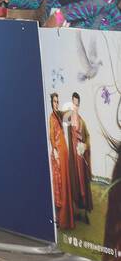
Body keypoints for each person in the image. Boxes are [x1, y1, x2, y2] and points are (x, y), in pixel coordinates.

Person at [65, 92, 93, 223]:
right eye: (73, 104)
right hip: (73, 160)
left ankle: (85, 213)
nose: (75, 107)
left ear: (79, 105)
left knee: (83, 184)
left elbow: (87, 136)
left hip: (81, 158)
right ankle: (75, 212)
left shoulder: (82, 121)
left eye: (77, 104)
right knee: (74, 183)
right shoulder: (68, 119)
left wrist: (85, 146)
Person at [47, 93, 74, 229]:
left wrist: (72, 107)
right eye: (54, 101)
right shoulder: (52, 118)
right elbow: (51, 135)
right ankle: (61, 218)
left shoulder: (59, 114)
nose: (56, 103)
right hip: (58, 152)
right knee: (59, 183)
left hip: (64, 151)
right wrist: (55, 150)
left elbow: (69, 113)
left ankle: (68, 217)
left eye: (58, 101)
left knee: (65, 182)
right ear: (51, 102)